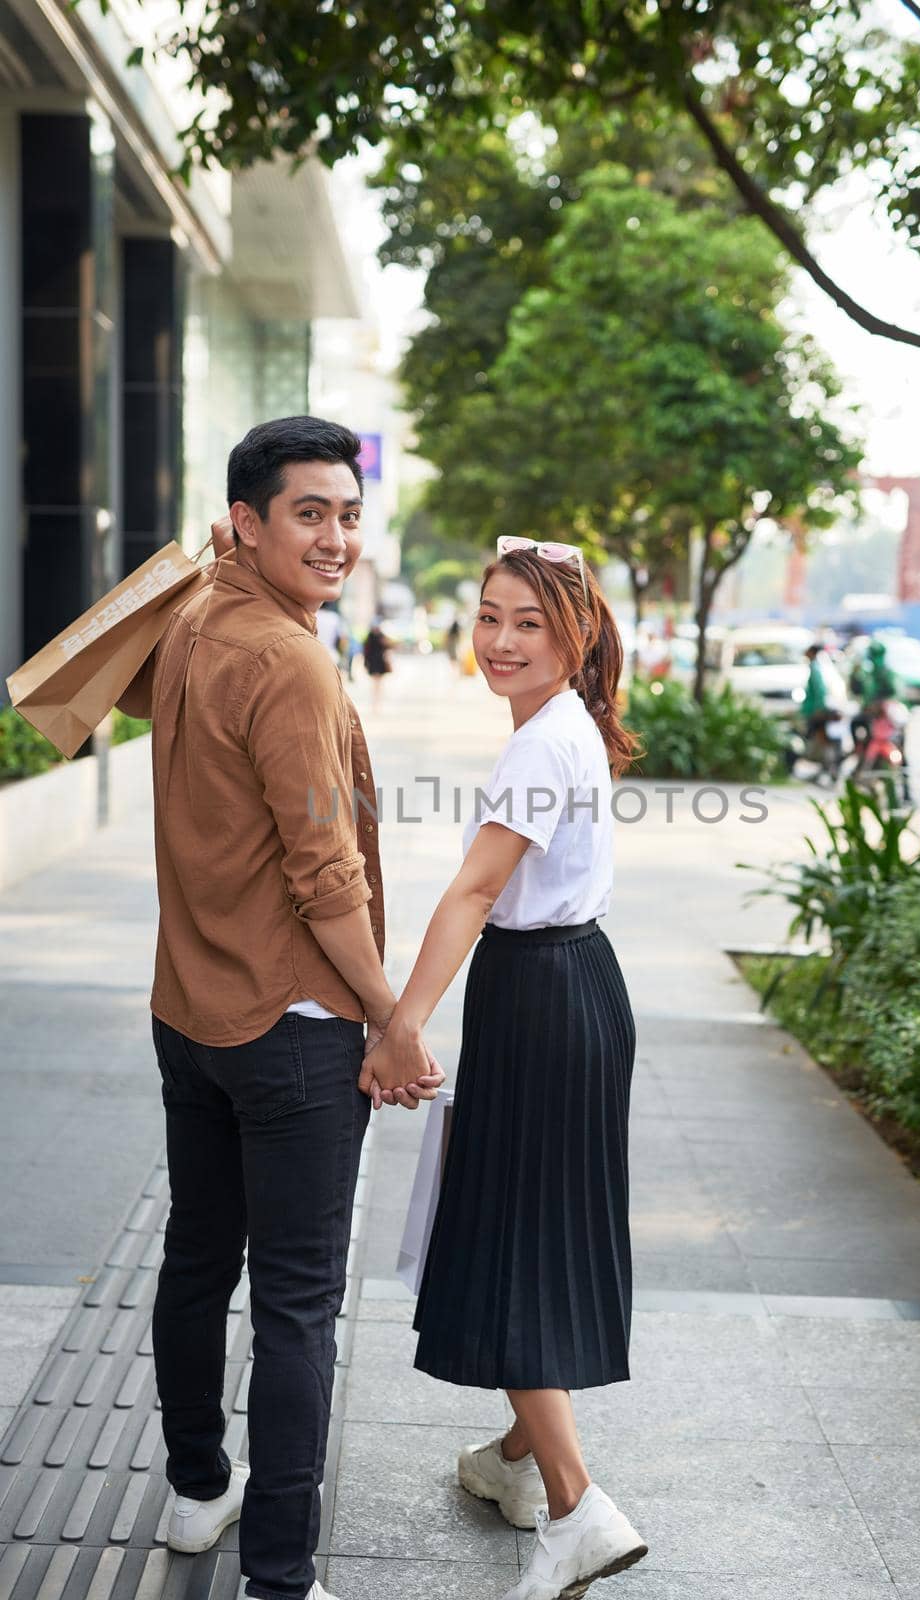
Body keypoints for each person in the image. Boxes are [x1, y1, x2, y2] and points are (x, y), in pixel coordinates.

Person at [117, 416, 443, 1600]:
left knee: (199, 1259)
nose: (338, 537)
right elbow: (327, 875)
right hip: (294, 1031)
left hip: (187, 1009)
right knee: (299, 1307)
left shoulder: (197, 617)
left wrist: (222, 554)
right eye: (309, 511)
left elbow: (95, 679)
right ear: (249, 521)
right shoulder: (290, 659)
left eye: (348, 514)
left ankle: (200, 1489)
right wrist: (394, 1016)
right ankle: (281, 1576)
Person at [364, 535, 649, 1600]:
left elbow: (474, 895)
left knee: (505, 1240)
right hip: (573, 986)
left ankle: (576, 1506)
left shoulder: (542, 743)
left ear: (575, 634)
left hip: (540, 995)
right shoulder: (562, 725)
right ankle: (514, 1462)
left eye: (528, 622)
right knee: (538, 1230)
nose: (500, 640)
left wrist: (401, 1026)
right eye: (490, 616)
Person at [361, 617, 393, 711]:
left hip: (377, 663)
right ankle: (376, 702)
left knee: (377, 683)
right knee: (377, 684)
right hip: (376, 662)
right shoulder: (376, 636)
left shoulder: (374, 636)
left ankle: (376, 702)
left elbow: (366, 652)